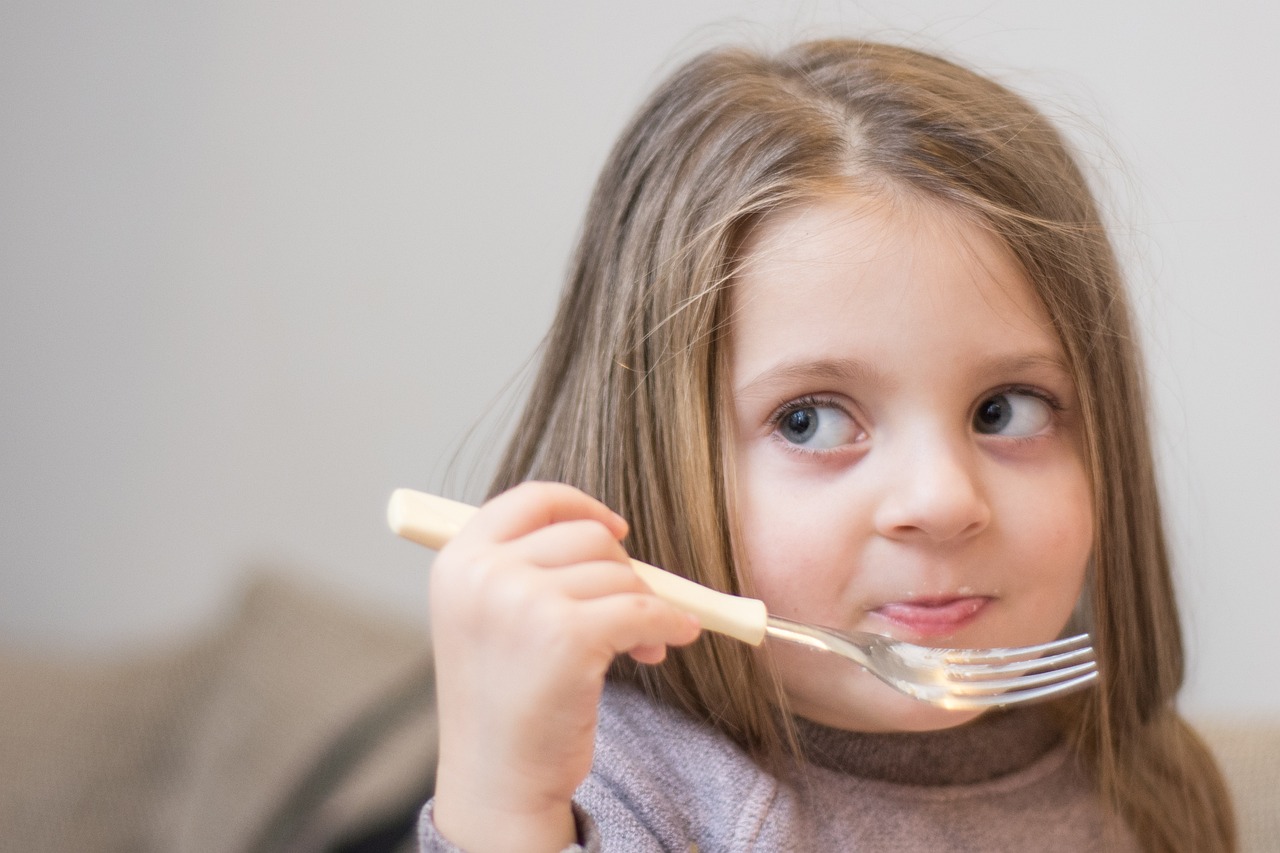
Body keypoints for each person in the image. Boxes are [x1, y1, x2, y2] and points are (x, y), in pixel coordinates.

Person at [419, 38, 1235, 852]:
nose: (942, 499)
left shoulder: (1146, 787)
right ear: (655, 461)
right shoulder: (608, 797)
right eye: (811, 419)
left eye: (1003, 411)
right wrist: (503, 805)